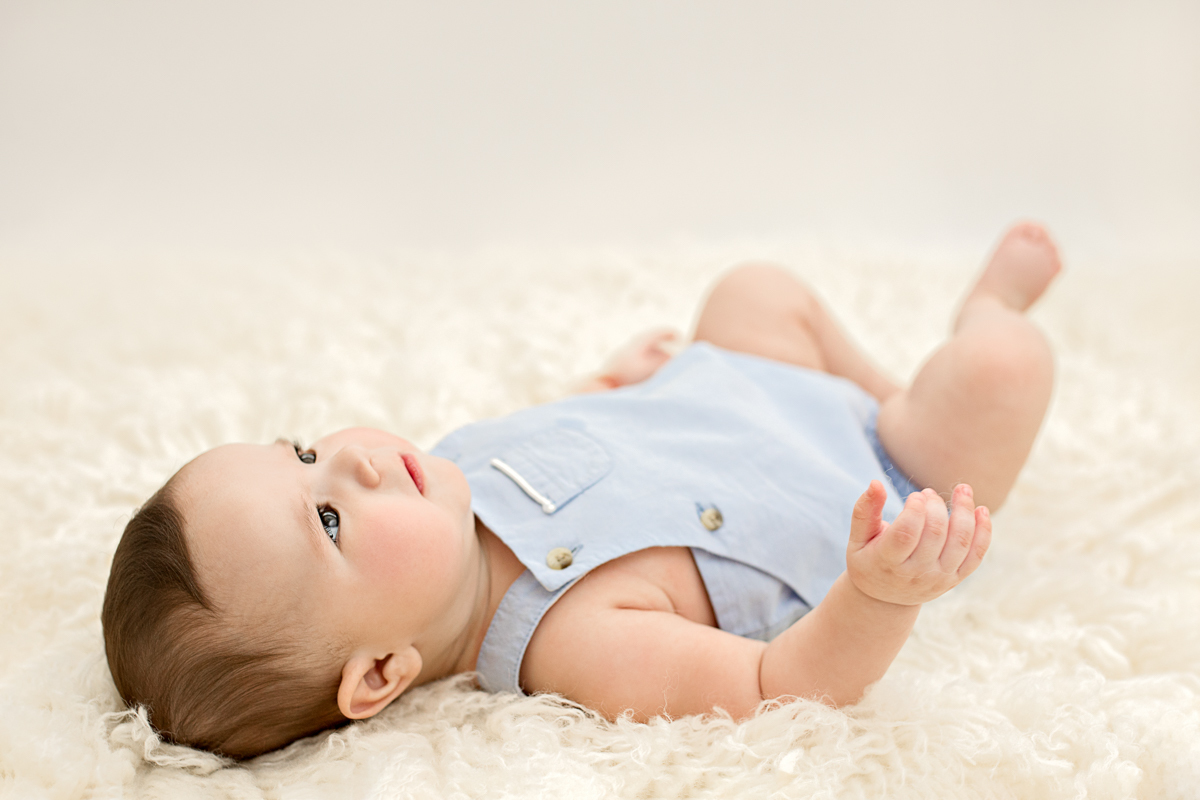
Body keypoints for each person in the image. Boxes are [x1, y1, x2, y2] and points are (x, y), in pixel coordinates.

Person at [101, 222, 1060, 759]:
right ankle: (965, 340)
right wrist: (881, 593)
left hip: (733, 388)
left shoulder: (440, 480)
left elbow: (563, 442)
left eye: (305, 451)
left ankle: (887, 386)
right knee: (1003, 367)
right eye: (327, 520)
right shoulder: (573, 640)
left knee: (754, 288)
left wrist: (615, 386)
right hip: (875, 479)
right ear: (381, 672)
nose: (353, 465)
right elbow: (781, 688)